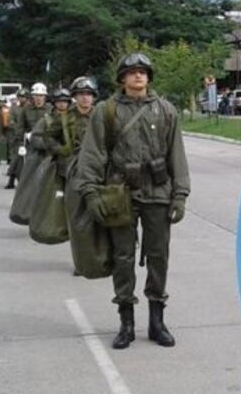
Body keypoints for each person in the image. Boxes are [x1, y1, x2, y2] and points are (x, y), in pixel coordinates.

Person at [77, 53, 190, 350]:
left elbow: (176, 155)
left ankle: (156, 321)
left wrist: (180, 194)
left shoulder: (165, 110)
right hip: (120, 194)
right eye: (132, 72)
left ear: (149, 77)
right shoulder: (107, 111)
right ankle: (126, 321)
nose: (138, 76)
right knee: (123, 258)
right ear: (122, 78)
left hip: (158, 193)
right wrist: (89, 191)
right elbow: (92, 154)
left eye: (143, 72)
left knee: (158, 257)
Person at [4, 90, 30, 188]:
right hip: (18, 138)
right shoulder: (14, 109)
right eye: (20, 97)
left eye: (24, 97)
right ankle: (11, 180)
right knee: (16, 159)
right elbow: (10, 121)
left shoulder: (30, 109)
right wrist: (18, 129)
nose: (22, 99)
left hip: (30, 137)